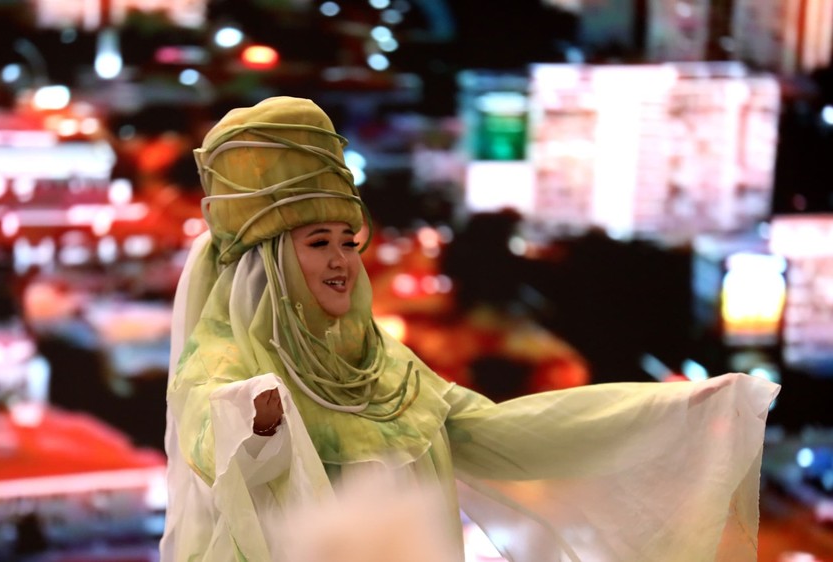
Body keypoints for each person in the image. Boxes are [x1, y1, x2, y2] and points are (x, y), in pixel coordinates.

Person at [161, 96, 779, 562]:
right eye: (318, 243)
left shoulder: (380, 366)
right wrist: (257, 420)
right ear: (266, 259)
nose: (342, 261)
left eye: (348, 241)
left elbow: (498, 433)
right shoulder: (223, 362)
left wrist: (668, 412)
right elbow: (219, 451)